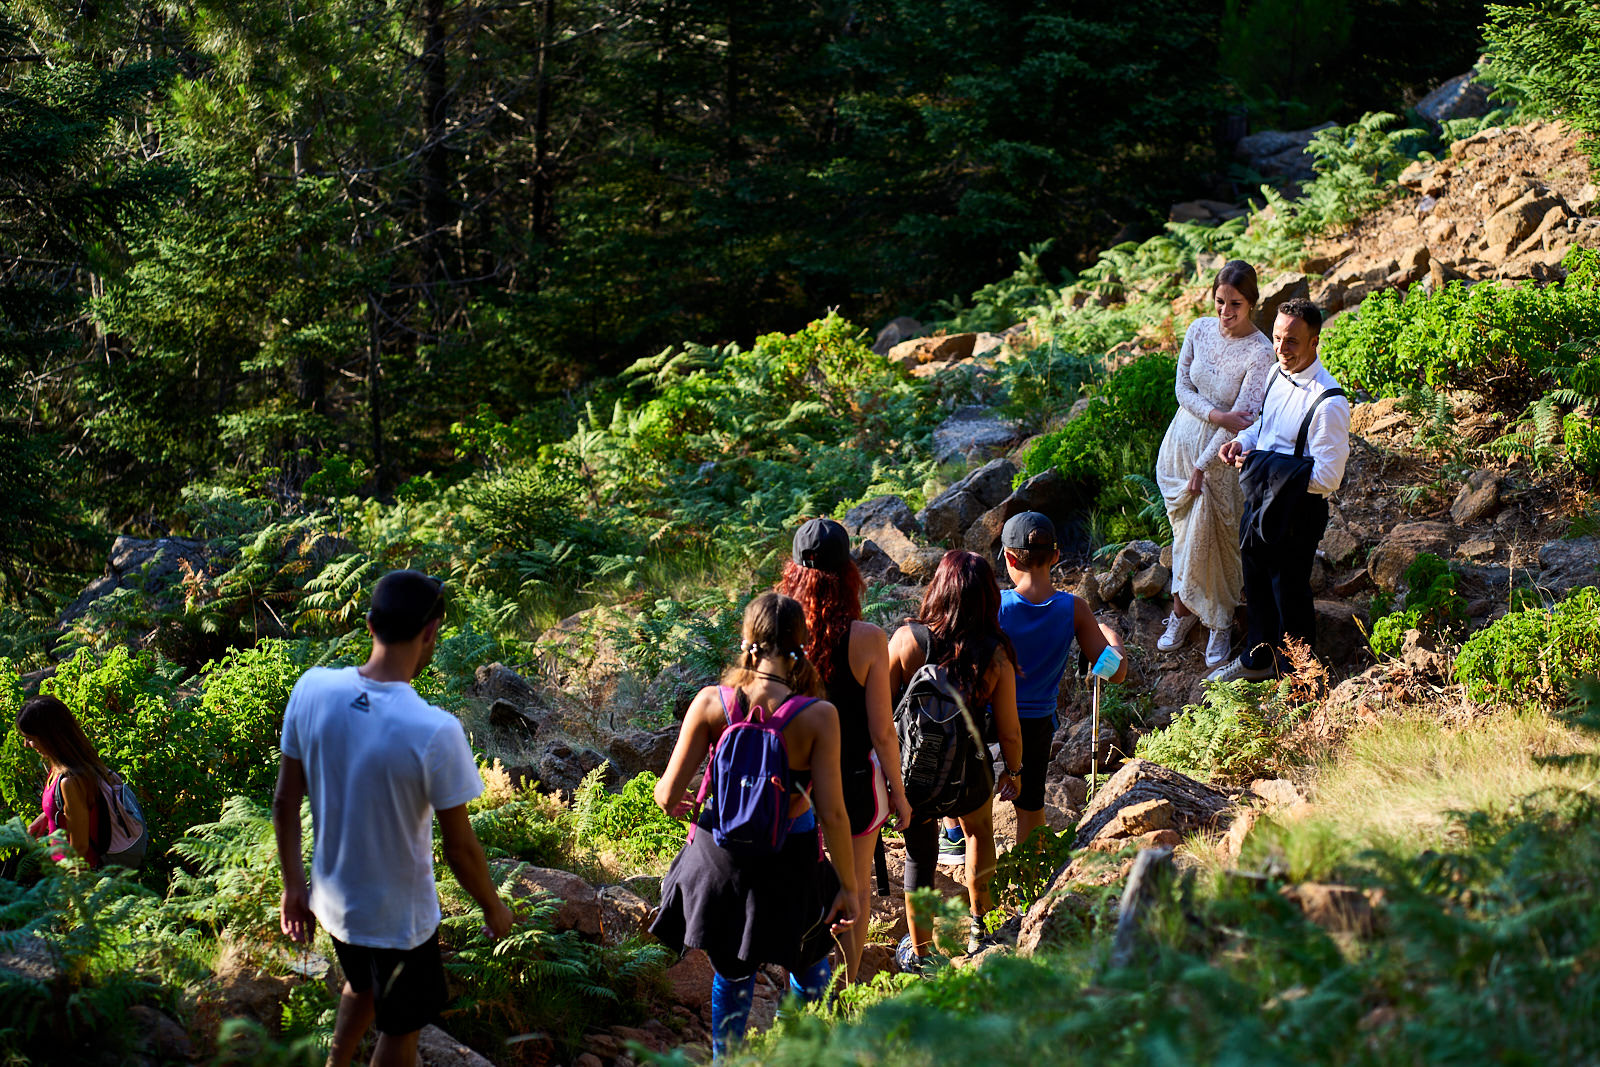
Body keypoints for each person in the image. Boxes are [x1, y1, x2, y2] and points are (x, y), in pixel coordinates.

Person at [274, 570, 513, 1067]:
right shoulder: (433, 730)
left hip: (333, 902)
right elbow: (460, 848)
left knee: (362, 984)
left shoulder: (313, 689)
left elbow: (284, 801)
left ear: (369, 625)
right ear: (431, 633)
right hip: (398, 922)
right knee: (402, 1030)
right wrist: (494, 907)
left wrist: (292, 885)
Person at [650, 593, 858, 1061]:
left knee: (733, 974)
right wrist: (850, 885)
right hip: (791, 864)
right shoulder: (819, 717)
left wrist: (700, 799)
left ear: (748, 642)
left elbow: (666, 796)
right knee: (809, 967)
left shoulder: (711, 703)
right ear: (799, 646)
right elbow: (835, 814)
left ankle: (729, 1060)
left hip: (719, 863)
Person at [779, 518, 911, 984]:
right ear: (849, 572)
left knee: (802, 891)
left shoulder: (779, 639)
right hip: (855, 782)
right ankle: (849, 992)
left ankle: (804, 988)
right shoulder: (869, 638)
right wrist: (898, 791)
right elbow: (883, 732)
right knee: (853, 892)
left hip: (792, 786)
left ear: (793, 572)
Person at [889, 550, 1023, 968]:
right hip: (971, 772)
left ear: (938, 589)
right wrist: (1014, 772)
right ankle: (979, 931)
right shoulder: (995, 653)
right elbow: (1009, 730)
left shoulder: (908, 640)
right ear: (987, 596)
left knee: (920, 855)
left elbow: (882, 712)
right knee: (979, 832)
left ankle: (923, 955)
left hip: (916, 774)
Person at [1212, 297, 1351, 681]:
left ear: (1314, 342)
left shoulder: (1329, 402)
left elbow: (1328, 477)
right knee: (1255, 584)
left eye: (1291, 341)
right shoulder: (1275, 373)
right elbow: (1263, 427)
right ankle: (1257, 661)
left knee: (1288, 594)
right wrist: (1244, 443)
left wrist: (1261, 466)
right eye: (1277, 338)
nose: (1281, 348)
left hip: (1297, 512)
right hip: (1259, 498)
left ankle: (1298, 677)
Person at [1155, 259, 1277, 669]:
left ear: (1253, 303)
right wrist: (1214, 414)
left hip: (1218, 459)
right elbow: (1181, 387)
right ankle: (1183, 613)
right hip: (1180, 444)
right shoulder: (1199, 329)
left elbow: (1242, 421)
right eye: (1220, 301)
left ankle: (1220, 624)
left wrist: (1204, 466)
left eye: (1236, 304)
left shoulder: (1260, 352)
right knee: (1183, 537)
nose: (1225, 312)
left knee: (1217, 541)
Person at [996, 513, 1128, 849]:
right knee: (1031, 809)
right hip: (1037, 724)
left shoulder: (997, 605)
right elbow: (1116, 671)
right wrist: (1113, 640)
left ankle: (958, 847)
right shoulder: (1074, 608)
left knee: (978, 810)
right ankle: (1031, 883)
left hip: (991, 718)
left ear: (1010, 558)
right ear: (1056, 556)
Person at [16, 694, 140, 868]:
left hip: (80, 876)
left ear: (48, 736)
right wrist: (46, 816)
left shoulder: (70, 781)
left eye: (30, 738)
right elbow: (70, 808)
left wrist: (60, 881)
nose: (26, 744)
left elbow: (80, 847)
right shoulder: (62, 766)